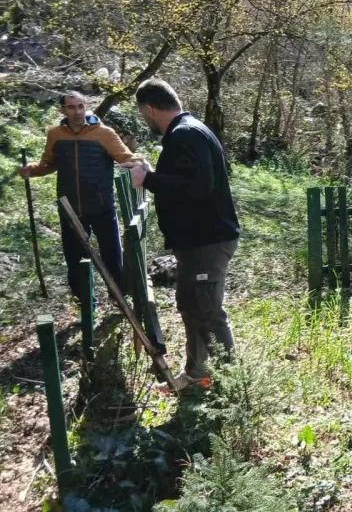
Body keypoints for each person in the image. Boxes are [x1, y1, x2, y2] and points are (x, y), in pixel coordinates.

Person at [125, 79, 241, 390]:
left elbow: (199, 187)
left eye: (143, 115)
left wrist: (148, 179)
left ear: (150, 109)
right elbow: (186, 179)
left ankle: (233, 385)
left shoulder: (185, 133)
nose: (145, 120)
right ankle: (196, 375)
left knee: (208, 312)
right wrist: (153, 175)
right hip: (196, 240)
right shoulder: (187, 131)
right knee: (192, 308)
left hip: (206, 240)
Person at [18, 91, 140, 303]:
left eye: (81, 106)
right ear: (63, 110)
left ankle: (119, 298)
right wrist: (33, 170)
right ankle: (85, 302)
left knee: (112, 255)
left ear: (86, 107)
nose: (77, 112)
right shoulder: (55, 134)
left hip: (102, 206)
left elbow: (126, 158)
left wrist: (142, 164)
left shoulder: (104, 133)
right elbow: (49, 163)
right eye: (72, 107)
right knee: (75, 259)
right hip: (70, 207)